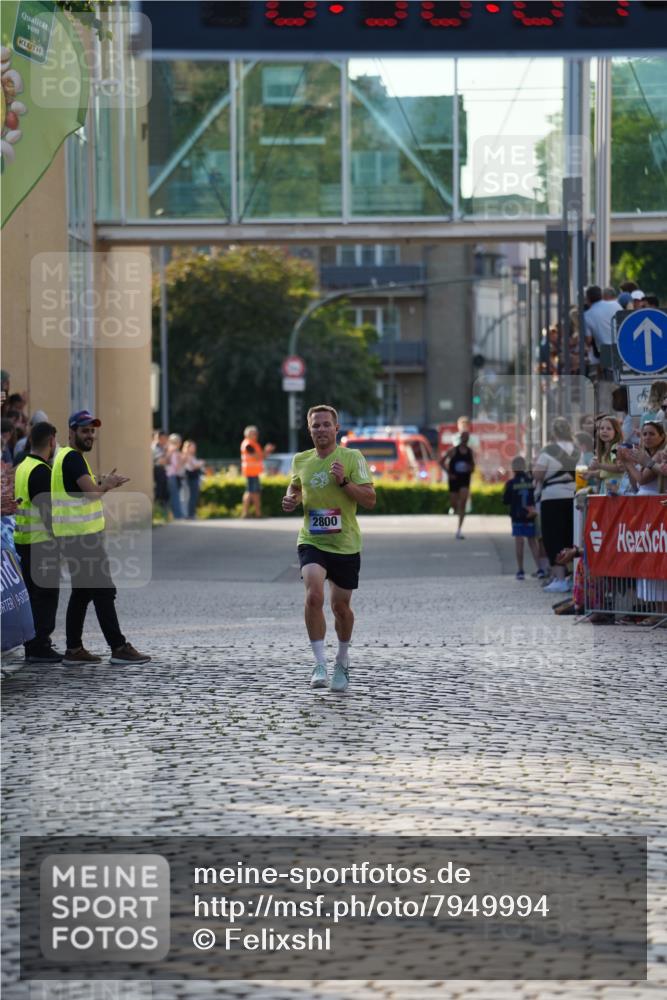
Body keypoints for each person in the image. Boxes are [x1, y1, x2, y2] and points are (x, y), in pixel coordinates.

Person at [281, 405, 375, 693]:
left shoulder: (351, 457)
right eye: (315, 426)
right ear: (309, 430)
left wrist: (344, 482)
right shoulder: (301, 460)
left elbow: (370, 499)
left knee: (340, 607)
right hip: (312, 539)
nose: (320, 430)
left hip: (345, 542)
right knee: (314, 595)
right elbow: (295, 489)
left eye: (325, 425)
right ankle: (319, 663)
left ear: (336, 429)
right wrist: (290, 500)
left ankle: (341, 661)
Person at [52, 410, 150, 665]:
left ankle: (73, 650)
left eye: (92, 431)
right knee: (104, 591)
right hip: (82, 539)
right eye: (84, 430)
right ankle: (118, 647)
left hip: (74, 538)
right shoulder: (72, 458)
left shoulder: (67, 457)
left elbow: (82, 488)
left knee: (82, 593)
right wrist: (107, 485)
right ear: (71, 432)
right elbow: (92, 494)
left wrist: (102, 481)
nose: (90, 435)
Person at [13, 421, 62, 663]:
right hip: (41, 543)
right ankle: (40, 645)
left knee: (33, 597)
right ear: (52, 441)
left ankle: (33, 644)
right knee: (46, 596)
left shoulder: (22, 467)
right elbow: (48, 511)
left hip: (23, 541)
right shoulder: (41, 472)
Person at [533, 418, 579, 593]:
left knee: (553, 536)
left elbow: (538, 474)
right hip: (573, 496)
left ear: (553, 432)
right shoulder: (577, 451)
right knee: (570, 534)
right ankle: (572, 576)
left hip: (552, 497)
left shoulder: (547, 451)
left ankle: (559, 578)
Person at [502, 456, 541, 580]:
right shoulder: (531, 481)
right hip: (530, 515)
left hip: (517, 516)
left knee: (519, 543)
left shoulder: (510, 483)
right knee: (533, 542)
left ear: (513, 468)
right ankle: (539, 568)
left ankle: (520, 570)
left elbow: (505, 501)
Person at [441, 430, 475, 539]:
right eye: (463, 437)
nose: (465, 439)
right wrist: (449, 473)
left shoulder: (470, 452)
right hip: (454, 479)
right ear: (460, 438)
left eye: (467, 437)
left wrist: (471, 468)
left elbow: (473, 466)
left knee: (463, 503)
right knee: (454, 503)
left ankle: (459, 529)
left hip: (465, 479)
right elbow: (441, 462)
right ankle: (453, 507)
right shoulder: (453, 451)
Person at [240, 425, 275, 518]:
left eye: (256, 433)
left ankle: (252, 513)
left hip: (253, 472)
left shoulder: (253, 444)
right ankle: (251, 513)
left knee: (253, 492)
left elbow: (261, 456)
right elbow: (257, 456)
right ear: (247, 435)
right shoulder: (248, 444)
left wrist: (266, 452)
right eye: (253, 433)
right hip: (250, 472)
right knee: (252, 492)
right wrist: (266, 451)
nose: (255, 435)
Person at [588, 415, 623, 495]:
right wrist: (591, 473)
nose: (604, 431)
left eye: (609, 429)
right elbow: (606, 472)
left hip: (616, 486)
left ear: (616, 431)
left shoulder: (615, 448)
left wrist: (599, 465)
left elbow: (619, 468)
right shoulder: (603, 450)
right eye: (602, 428)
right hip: (605, 486)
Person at [182, 439, 205, 518]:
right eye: (192, 447)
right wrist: (200, 463)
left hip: (194, 477)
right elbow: (192, 466)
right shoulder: (186, 456)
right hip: (190, 477)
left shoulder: (192, 456)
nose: (194, 448)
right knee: (191, 496)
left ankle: (191, 513)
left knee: (194, 496)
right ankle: (190, 514)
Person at [165, 432, 185, 520]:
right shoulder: (170, 449)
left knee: (173, 495)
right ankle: (178, 515)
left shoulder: (175, 451)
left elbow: (178, 465)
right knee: (175, 495)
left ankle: (174, 515)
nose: (179, 444)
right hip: (170, 475)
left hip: (174, 475)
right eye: (177, 442)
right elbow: (167, 461)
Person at [151, 429, 169, 511]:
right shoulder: (155, 447)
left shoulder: (162, 447)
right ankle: (159, 511)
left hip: (162, 471)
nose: (166, 440)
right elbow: (162, 461)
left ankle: (162, 511)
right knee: (159, 492)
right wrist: (168, 454)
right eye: (164, 438)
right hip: (157, 471)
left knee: (164, 493)